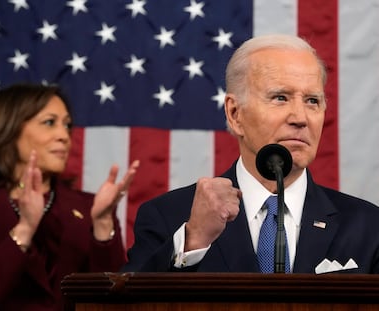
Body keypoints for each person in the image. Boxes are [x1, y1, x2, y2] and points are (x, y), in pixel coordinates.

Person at [122, 34, 379, 274]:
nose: (301, 118)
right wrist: (194, 242)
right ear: (235, 114)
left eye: (312, 100)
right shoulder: (169, 217)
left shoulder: (368, 225)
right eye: (280, 97)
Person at [0, 83, 139, 310]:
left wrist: (103, 224)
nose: (64, 135)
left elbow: (115, 303)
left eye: (67, 125)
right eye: (49, 123)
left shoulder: (89, 208)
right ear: (7, 128)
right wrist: (24, 230)